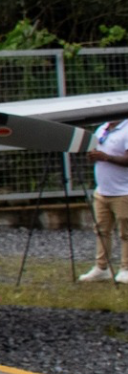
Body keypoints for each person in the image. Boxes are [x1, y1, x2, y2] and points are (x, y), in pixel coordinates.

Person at [79, 117, 128, 283]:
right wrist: (93, 156)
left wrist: (106, 157)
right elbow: (98, 153)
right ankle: (101, 267)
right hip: (102, 191)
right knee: (101, 230)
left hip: (123, 191)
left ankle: (125, 268)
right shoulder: (102, 129)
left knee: (125, 232)